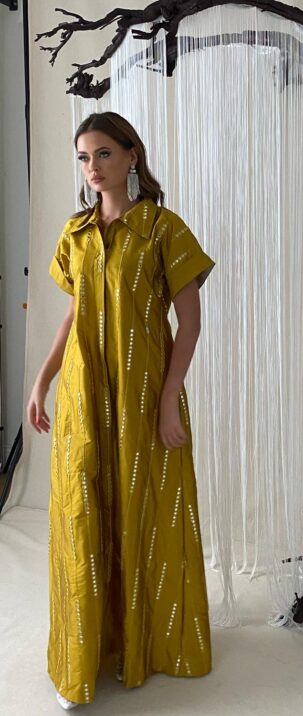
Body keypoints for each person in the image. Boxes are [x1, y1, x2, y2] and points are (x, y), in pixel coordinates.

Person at [26, 111, 215, 709]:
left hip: (142, 400)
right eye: (84, 157)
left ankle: (149, 645)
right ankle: (81, 660)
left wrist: (169, 401)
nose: (92, 167)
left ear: (132, 156)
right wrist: (41, 381)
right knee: (81, 514)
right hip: (83, 399)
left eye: (103, 154)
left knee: (144, 514)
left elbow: (190, 324)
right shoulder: (76, 233)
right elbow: (74, 314)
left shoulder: (163, 230)